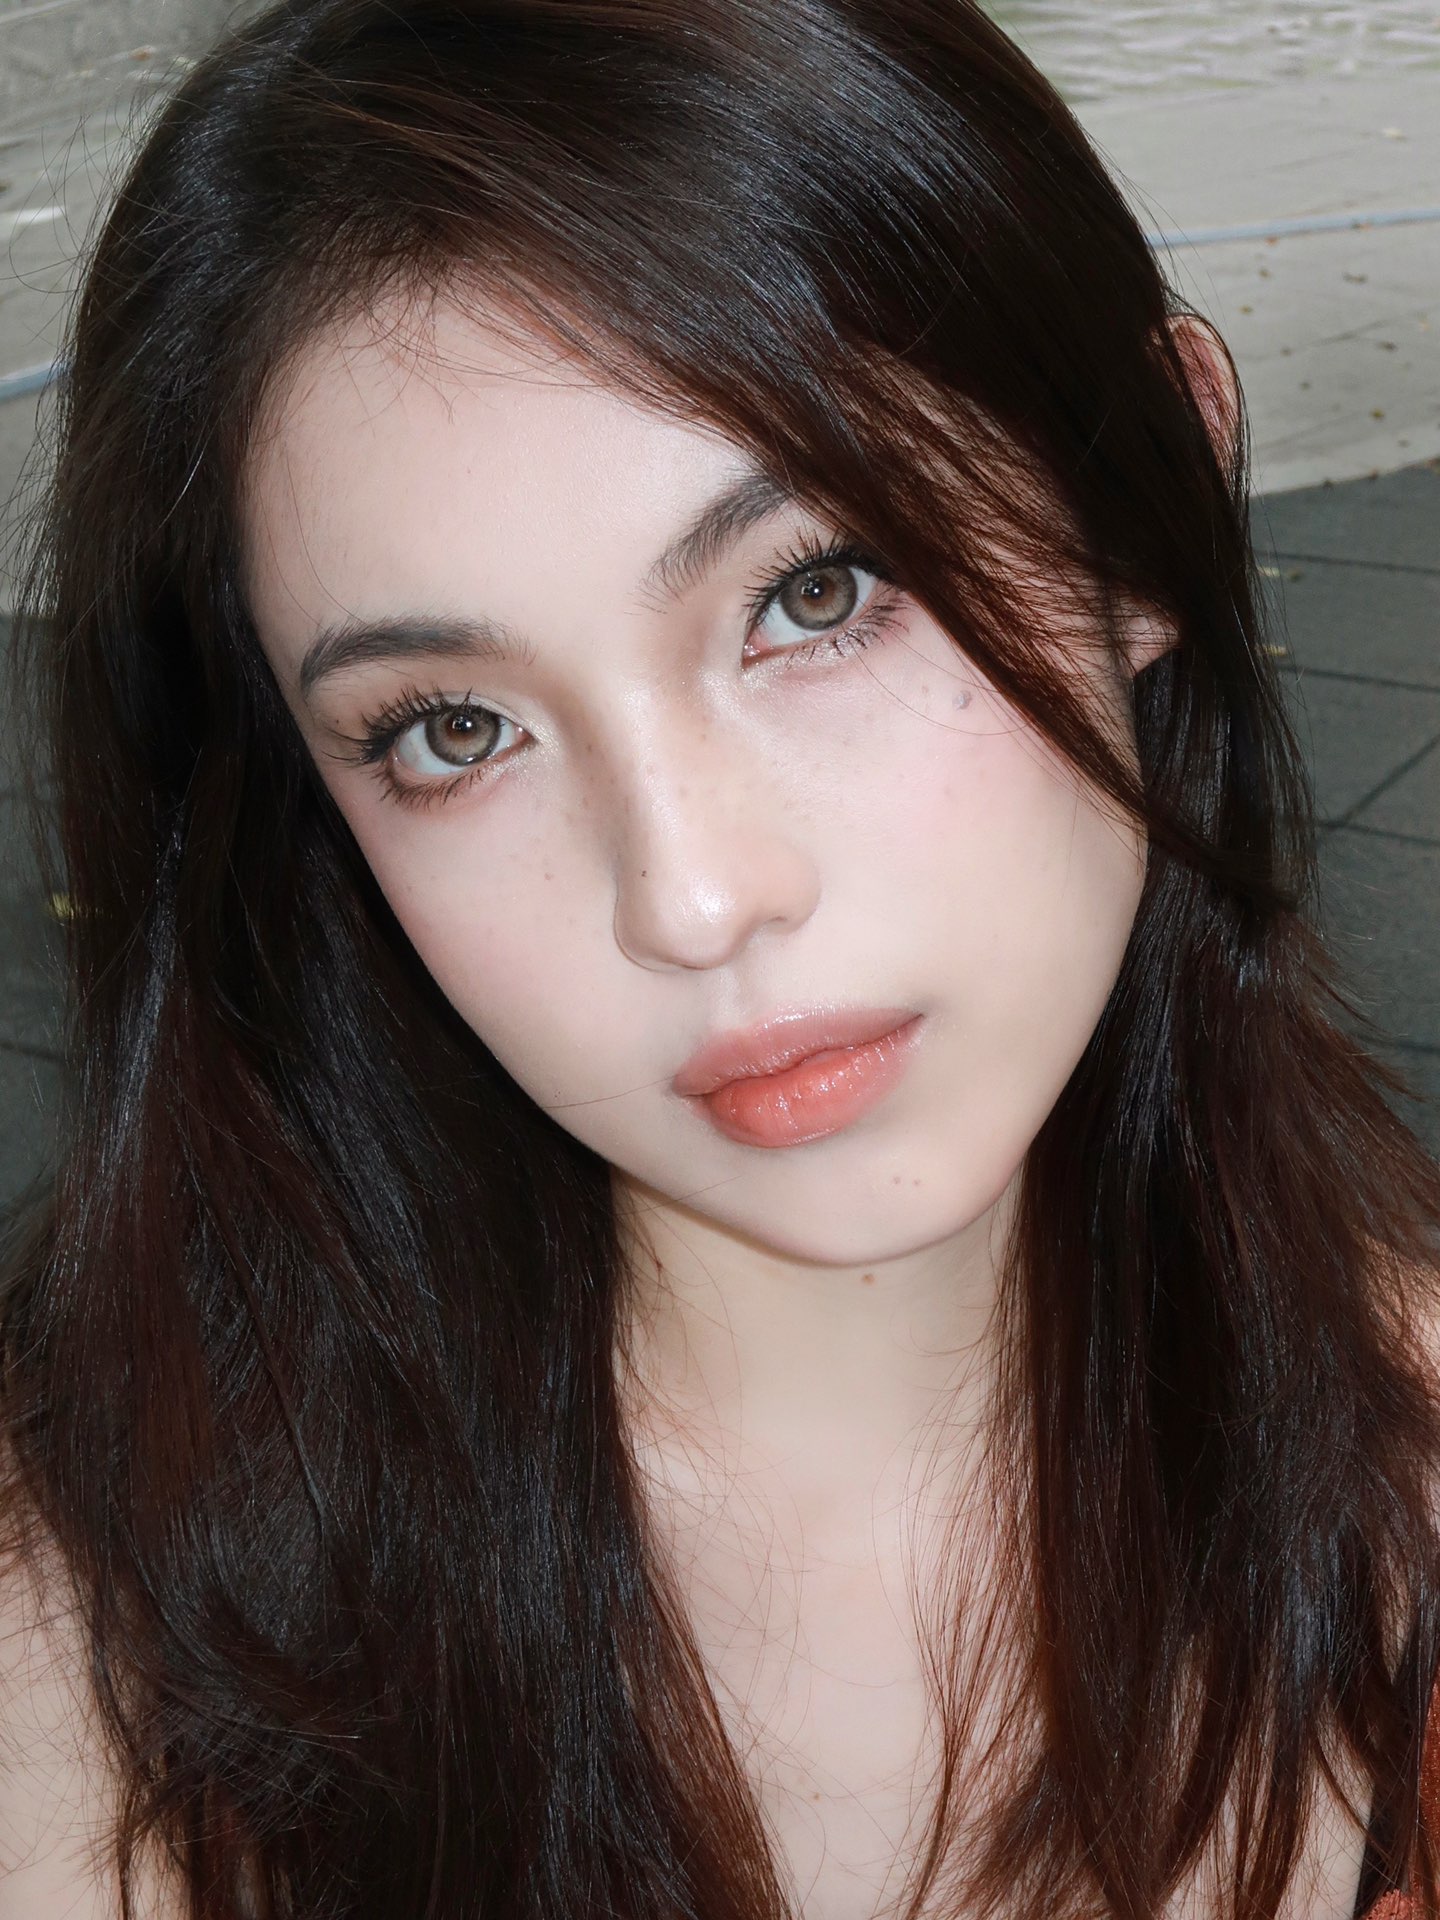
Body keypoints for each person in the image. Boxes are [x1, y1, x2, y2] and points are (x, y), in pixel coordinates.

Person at [3, 1, 1440, 1914]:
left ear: (1144, 514)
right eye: (453, 730)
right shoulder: (86, 1655)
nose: (688, 899)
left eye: (818, 595)